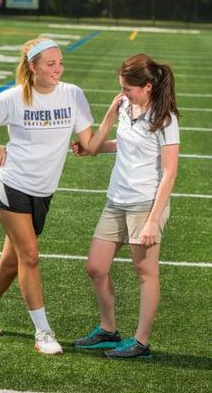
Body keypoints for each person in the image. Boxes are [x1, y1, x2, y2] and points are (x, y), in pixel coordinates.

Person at [0, 37, 122, 355]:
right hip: (11, 184)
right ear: (33, 67)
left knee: (10, 264)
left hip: (43, 191)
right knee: (30, 257)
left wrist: (115, 122)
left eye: (60, 62)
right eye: (50, 64)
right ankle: (43, 333)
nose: (58, 69)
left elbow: (88, 146)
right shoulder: (14, 97)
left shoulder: (73, 94)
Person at [73, 53, 180, 359]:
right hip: (116, 198)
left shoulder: (165, 118)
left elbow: (170, 171)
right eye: (121, 87)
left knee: (145, 272)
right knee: (95, 266)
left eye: (128, 88)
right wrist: (97, 139)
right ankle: (108, 331)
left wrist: (152, 221)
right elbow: (106, 145)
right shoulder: (122, 105)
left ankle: (141, 343)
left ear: (147, 86)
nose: (123, 93)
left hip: (145, 204)